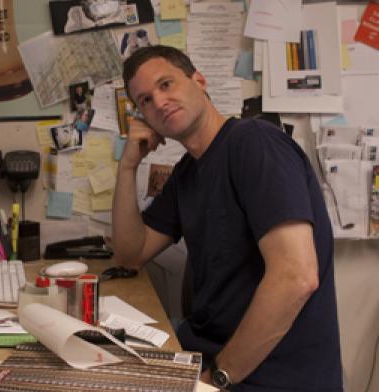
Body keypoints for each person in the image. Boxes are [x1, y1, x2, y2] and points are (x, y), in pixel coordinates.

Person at [112, 45, 343, 391]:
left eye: (166, 84)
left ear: (199, 81)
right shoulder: (187, 174)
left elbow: (296, 276)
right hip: (208, 351)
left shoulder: (255, 144)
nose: (158, 102)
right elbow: (130, 254)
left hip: (272, 375)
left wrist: (220, 376)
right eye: (145, 100)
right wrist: (128, 166)